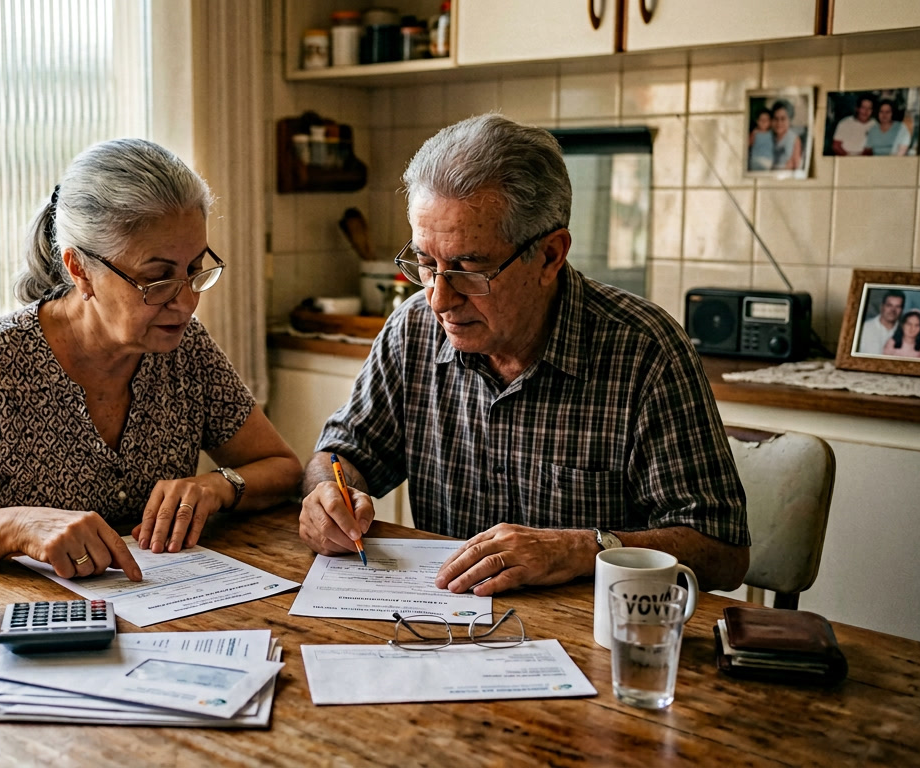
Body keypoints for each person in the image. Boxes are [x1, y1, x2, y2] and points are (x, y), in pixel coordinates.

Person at [298, 114, 750, 596]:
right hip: (441, 627)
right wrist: (327, 492)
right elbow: (342, 452)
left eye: (469, 269)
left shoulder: (644, 351)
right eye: (426, 265)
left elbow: (722, 551)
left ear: (551, 256)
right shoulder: (413, 330)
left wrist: (580, 549)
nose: (439, 299)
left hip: (592, 641)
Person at [0, 138, 302, 581]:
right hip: (23, 626)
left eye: (194, 270)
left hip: (157, 612)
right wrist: (17, 526)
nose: (186, 301)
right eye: (157, 278)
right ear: (80, 270)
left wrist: (217, 486)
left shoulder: (186, 350)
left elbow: (283, 469)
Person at [857, 290, 905, 355]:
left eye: (897, 306)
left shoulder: (905, 332)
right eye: (889, 305)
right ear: (882, 307)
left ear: (902, 310)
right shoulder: (864, 328)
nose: (893, 310)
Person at [768, 100, 803, 171]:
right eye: (776, 119)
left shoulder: (794, 139)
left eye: (783, 119)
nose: (779, 123)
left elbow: (797, 166)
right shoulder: (768, 135)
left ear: (789, 120)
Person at [748, 107, 774, 171]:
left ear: (770, 122)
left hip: (768, 162)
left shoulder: (772, 133)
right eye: (761, 120)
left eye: (766, 120)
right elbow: (748, 143)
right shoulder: (755, 133)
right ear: (757, 121)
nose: (764, 122)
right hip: (756, 161)